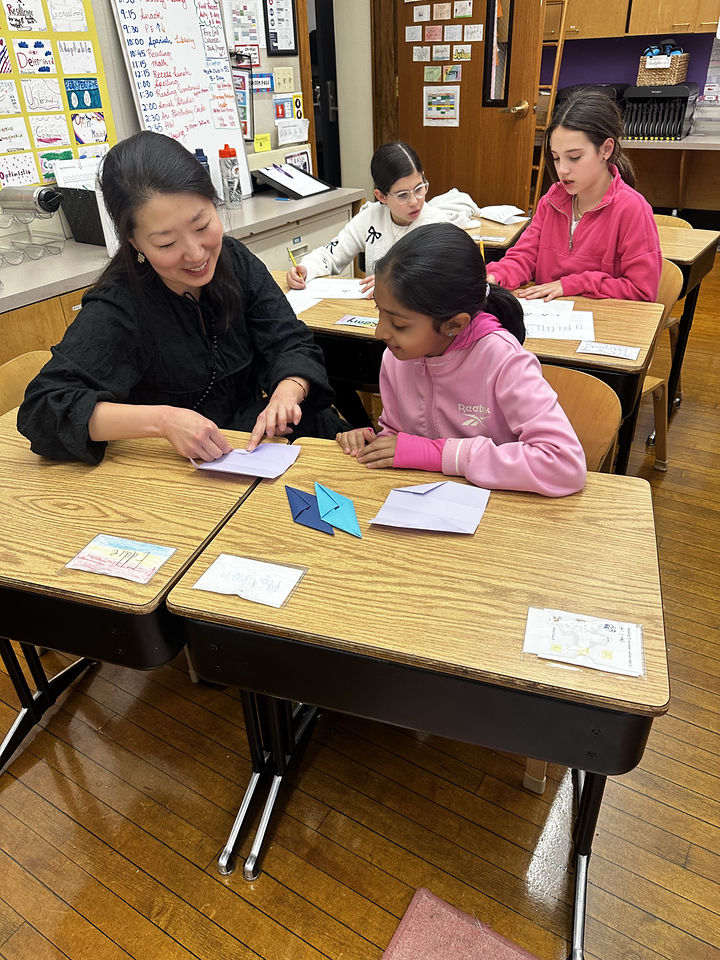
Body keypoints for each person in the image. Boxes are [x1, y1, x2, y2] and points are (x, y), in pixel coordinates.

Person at [18, 131, 346, 465]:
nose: (195, 254)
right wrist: (163, 421)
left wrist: (287, 392)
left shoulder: (234, 261)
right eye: (166, 244)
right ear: (134, 243)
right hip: (182, 474)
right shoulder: (119, 308)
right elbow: (43, 409)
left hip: (260, 446)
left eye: (202, 225)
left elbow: (290, 343)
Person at [336, 224, 587, 498]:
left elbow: (565, 465)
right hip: (424, 504)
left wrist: (440, 455)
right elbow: (399, 435)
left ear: (453, 324)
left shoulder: (503, 360)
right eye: (379, 312)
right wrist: (375, 441)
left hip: (498, 509)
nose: (380, 332)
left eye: (398, 323)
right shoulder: (397, 357)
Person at [487, 91, 661, 302]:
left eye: (574, 157)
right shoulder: (552, 200)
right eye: (556, 158)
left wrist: (570, 285)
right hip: (549, 319)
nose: (562, 170)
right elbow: (525, 256)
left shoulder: (632, 208)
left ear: (606, 149)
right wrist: (497, 275)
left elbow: (641, 291)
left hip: (604, 324)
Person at [286, 141, 458, 297]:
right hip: (375, 315)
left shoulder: (438, 225)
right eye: (402, 195)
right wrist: (306, 269)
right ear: (381, 196)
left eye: (419, 188)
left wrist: (394, 284)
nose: (414, 202)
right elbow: (330, 255)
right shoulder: (370, 218)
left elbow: (447, 281)